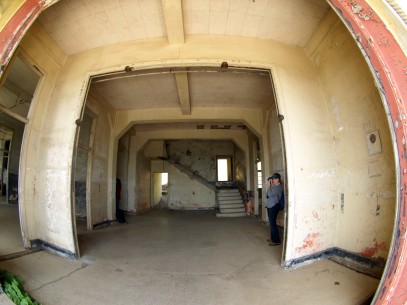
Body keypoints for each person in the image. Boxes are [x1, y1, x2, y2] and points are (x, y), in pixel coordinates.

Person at [266, 173, 282, 246]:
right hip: (270, 206)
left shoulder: (278, 187)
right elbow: (266, 195)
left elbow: (271, 195)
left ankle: (276, 241)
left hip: (274, 206)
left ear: (277, 179)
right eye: (272, 179)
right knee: (271, 223)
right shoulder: (273, 187)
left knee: (273, 224)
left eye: (273, 179)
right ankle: (273, 238)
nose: (272, 180)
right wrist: (270, 188)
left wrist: (269, 186)